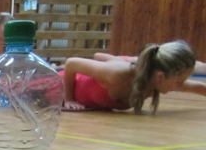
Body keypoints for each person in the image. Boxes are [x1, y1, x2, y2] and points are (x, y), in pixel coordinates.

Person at [61, 40, 206, 113]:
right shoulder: (118, 74)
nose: (182, 85)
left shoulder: (153, 82)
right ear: (160, 76)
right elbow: (72, 63)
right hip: (55, 87)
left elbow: (196, 87)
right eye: (179, 81)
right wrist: (69, 99)